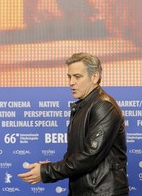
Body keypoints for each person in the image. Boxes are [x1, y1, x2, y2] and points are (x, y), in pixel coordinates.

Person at [18, 52, 129, 195]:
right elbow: (78, 154)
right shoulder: (84, 105)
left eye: (77, 76)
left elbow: (90, 156)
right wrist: (49, 167)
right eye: (69, 77)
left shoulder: (103, 106)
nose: (71, 82)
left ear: (94, 77)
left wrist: (48, 171)